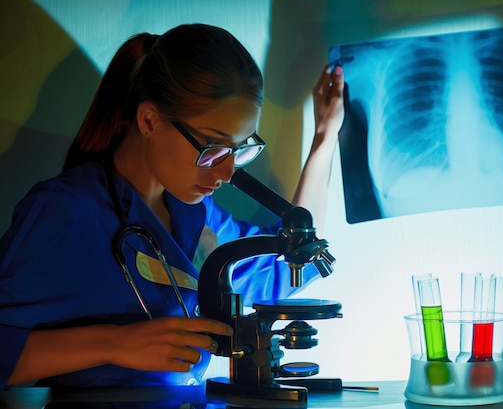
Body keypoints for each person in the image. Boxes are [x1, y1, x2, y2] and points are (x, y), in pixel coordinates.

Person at [0, 23, 344, 389]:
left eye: (239, 149)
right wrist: (114, 344)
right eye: (212, 146)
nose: (227, 172)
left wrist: (324, 138)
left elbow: (282, 270)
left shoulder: (196, 213)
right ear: (149, 120)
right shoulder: (66, 213)